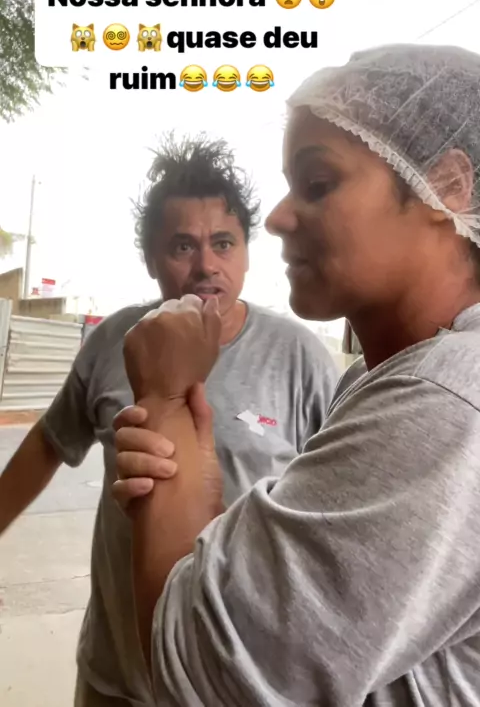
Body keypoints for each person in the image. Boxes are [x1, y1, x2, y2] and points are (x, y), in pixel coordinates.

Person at [113, 44, 480, 706]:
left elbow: (203, 676)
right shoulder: (381, 376)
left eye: (317, 183)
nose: (279, 219)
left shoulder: (446, 400)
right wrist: (197, 483)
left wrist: (165, 400)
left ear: (448, 186)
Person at [0, 135, 339, 707]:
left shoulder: (299, 356)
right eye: (182, 246)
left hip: (235, 682)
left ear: (245, 253)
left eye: (223, 243)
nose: (206, 266)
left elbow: (332, 513)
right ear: (150, 259)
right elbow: (47, 445)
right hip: (115, 676)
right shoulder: (114, 342)